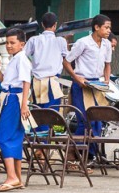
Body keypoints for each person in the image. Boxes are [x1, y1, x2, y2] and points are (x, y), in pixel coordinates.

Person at [62, 14, 112, 168]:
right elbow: (66, 61)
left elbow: (107, 64)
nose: (109, 30)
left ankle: (89, 156)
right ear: (96, 27)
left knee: (97, 120)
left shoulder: (107, 44)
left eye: (109, 27)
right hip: (82, 83)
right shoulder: (83, 43)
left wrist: (107, 80)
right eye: (106, 27)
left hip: (97, 84)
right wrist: (77, 79)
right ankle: (72, 155)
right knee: (84, 119)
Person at [0, 28, 32, 192]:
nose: (9, 46)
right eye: (7, 43)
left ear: (22, 44)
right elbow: (6, 81)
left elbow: (25, 82)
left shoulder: (22, 59)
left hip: (15, 100)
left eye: (12, 43)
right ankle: (17, 177)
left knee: (4, 137)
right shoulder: (15, 59)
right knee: (14, 137)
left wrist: (24, 105)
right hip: (10, 97)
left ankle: (12, 176)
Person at [25, 12, 68, 124]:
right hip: (54, 81)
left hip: (37, 80)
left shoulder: (34, 40)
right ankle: (48, 138)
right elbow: (67, 58)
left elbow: (23, 56)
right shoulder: (61, 41)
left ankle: (39, 139)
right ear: (55, 25)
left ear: (42, 25)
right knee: (52, 112)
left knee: (38, 111)